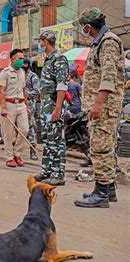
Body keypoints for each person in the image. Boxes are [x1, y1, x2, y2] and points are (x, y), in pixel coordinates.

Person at [74, 7, 125, 208]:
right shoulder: (101, 42)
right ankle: (109, 188)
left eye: (83, 28)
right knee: (106, 147)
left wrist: (98, 104)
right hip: (103, 105)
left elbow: (109, 76)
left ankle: (101, 192)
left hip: (104, 107)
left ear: (88, 26)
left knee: (100, 148)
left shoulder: (108, 41)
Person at [34, 31, 70, 186]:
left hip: (54, 106)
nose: (40, 45)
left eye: (40, 42)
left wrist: (57, 108)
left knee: (56, 139)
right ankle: (47, 170)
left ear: (45, 42)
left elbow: (62, 85)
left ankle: (58, 174)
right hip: (46, 106)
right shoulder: (48, 60)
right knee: (48, 138)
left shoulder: (59, 58)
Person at [0, 49, 29, 167]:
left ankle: (17, 153)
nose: (22, 60)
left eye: (23, 58)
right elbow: (2, 91)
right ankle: (9, 157)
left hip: (21, 104)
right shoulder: (5, 73)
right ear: (13, 59)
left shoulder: (22, 72)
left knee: (25, 129)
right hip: (9, 104)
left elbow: (24, 90)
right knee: (8, 133)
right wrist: (3, 107)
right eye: (20, 58)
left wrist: (27, 105)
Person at [23, 59, 40, 160]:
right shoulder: (18, 74)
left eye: (24, 63)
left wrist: (25, 94)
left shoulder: (33, 76)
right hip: (17, 104)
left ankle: (33, 150)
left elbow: (37, 91)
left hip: (29, 105)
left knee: (30, 127)